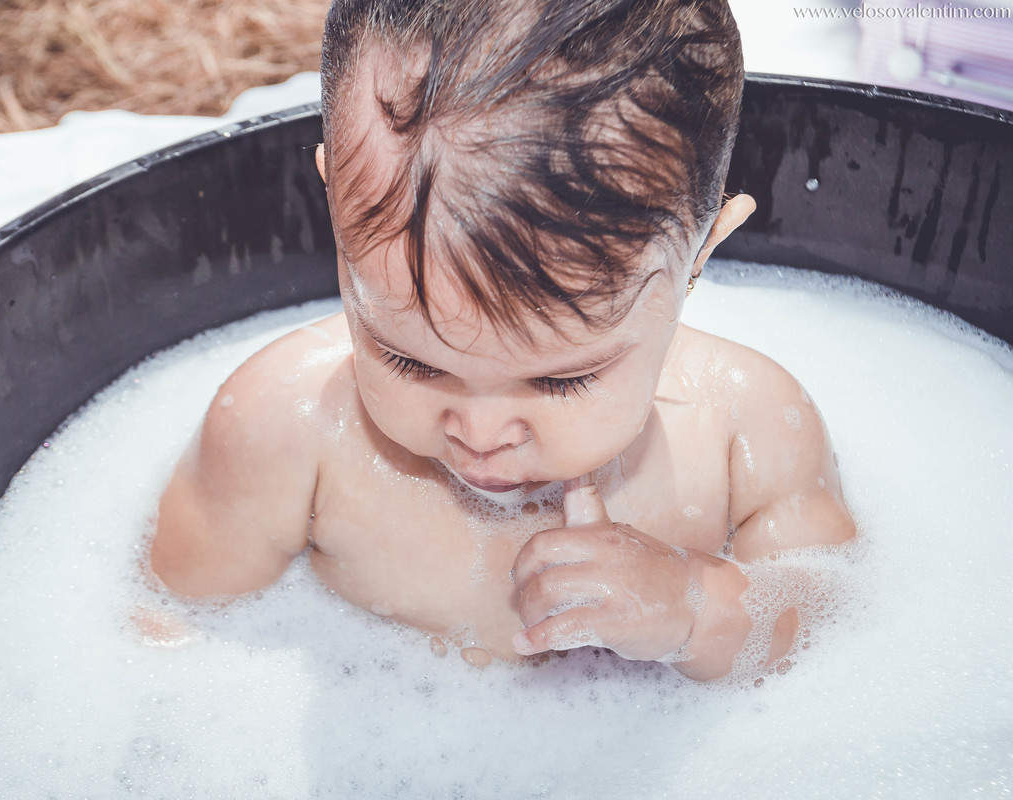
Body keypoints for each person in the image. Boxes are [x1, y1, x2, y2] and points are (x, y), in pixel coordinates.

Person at [149, 0, 856, 682]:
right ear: (334, 201)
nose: (480, 433)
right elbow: (171, 631)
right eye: (408, 359)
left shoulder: (748, 428)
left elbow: (828, 624)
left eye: (561, 380)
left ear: (700, 254)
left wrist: (695, 611)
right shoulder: (283, 429)